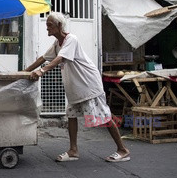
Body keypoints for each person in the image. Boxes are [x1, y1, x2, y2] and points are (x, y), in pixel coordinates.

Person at [24, 12, 130, 163]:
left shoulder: (71, 39)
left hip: (88, 84)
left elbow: (60, 58)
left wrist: (42, 71)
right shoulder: (57, 43)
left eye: (49, 25)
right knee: (71, 115)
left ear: (59, 26)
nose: (47, 28)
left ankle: (123, 149)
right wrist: (24, 72)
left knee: (104, 117)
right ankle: (73, 150)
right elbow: (43, 58)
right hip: (76, 87)